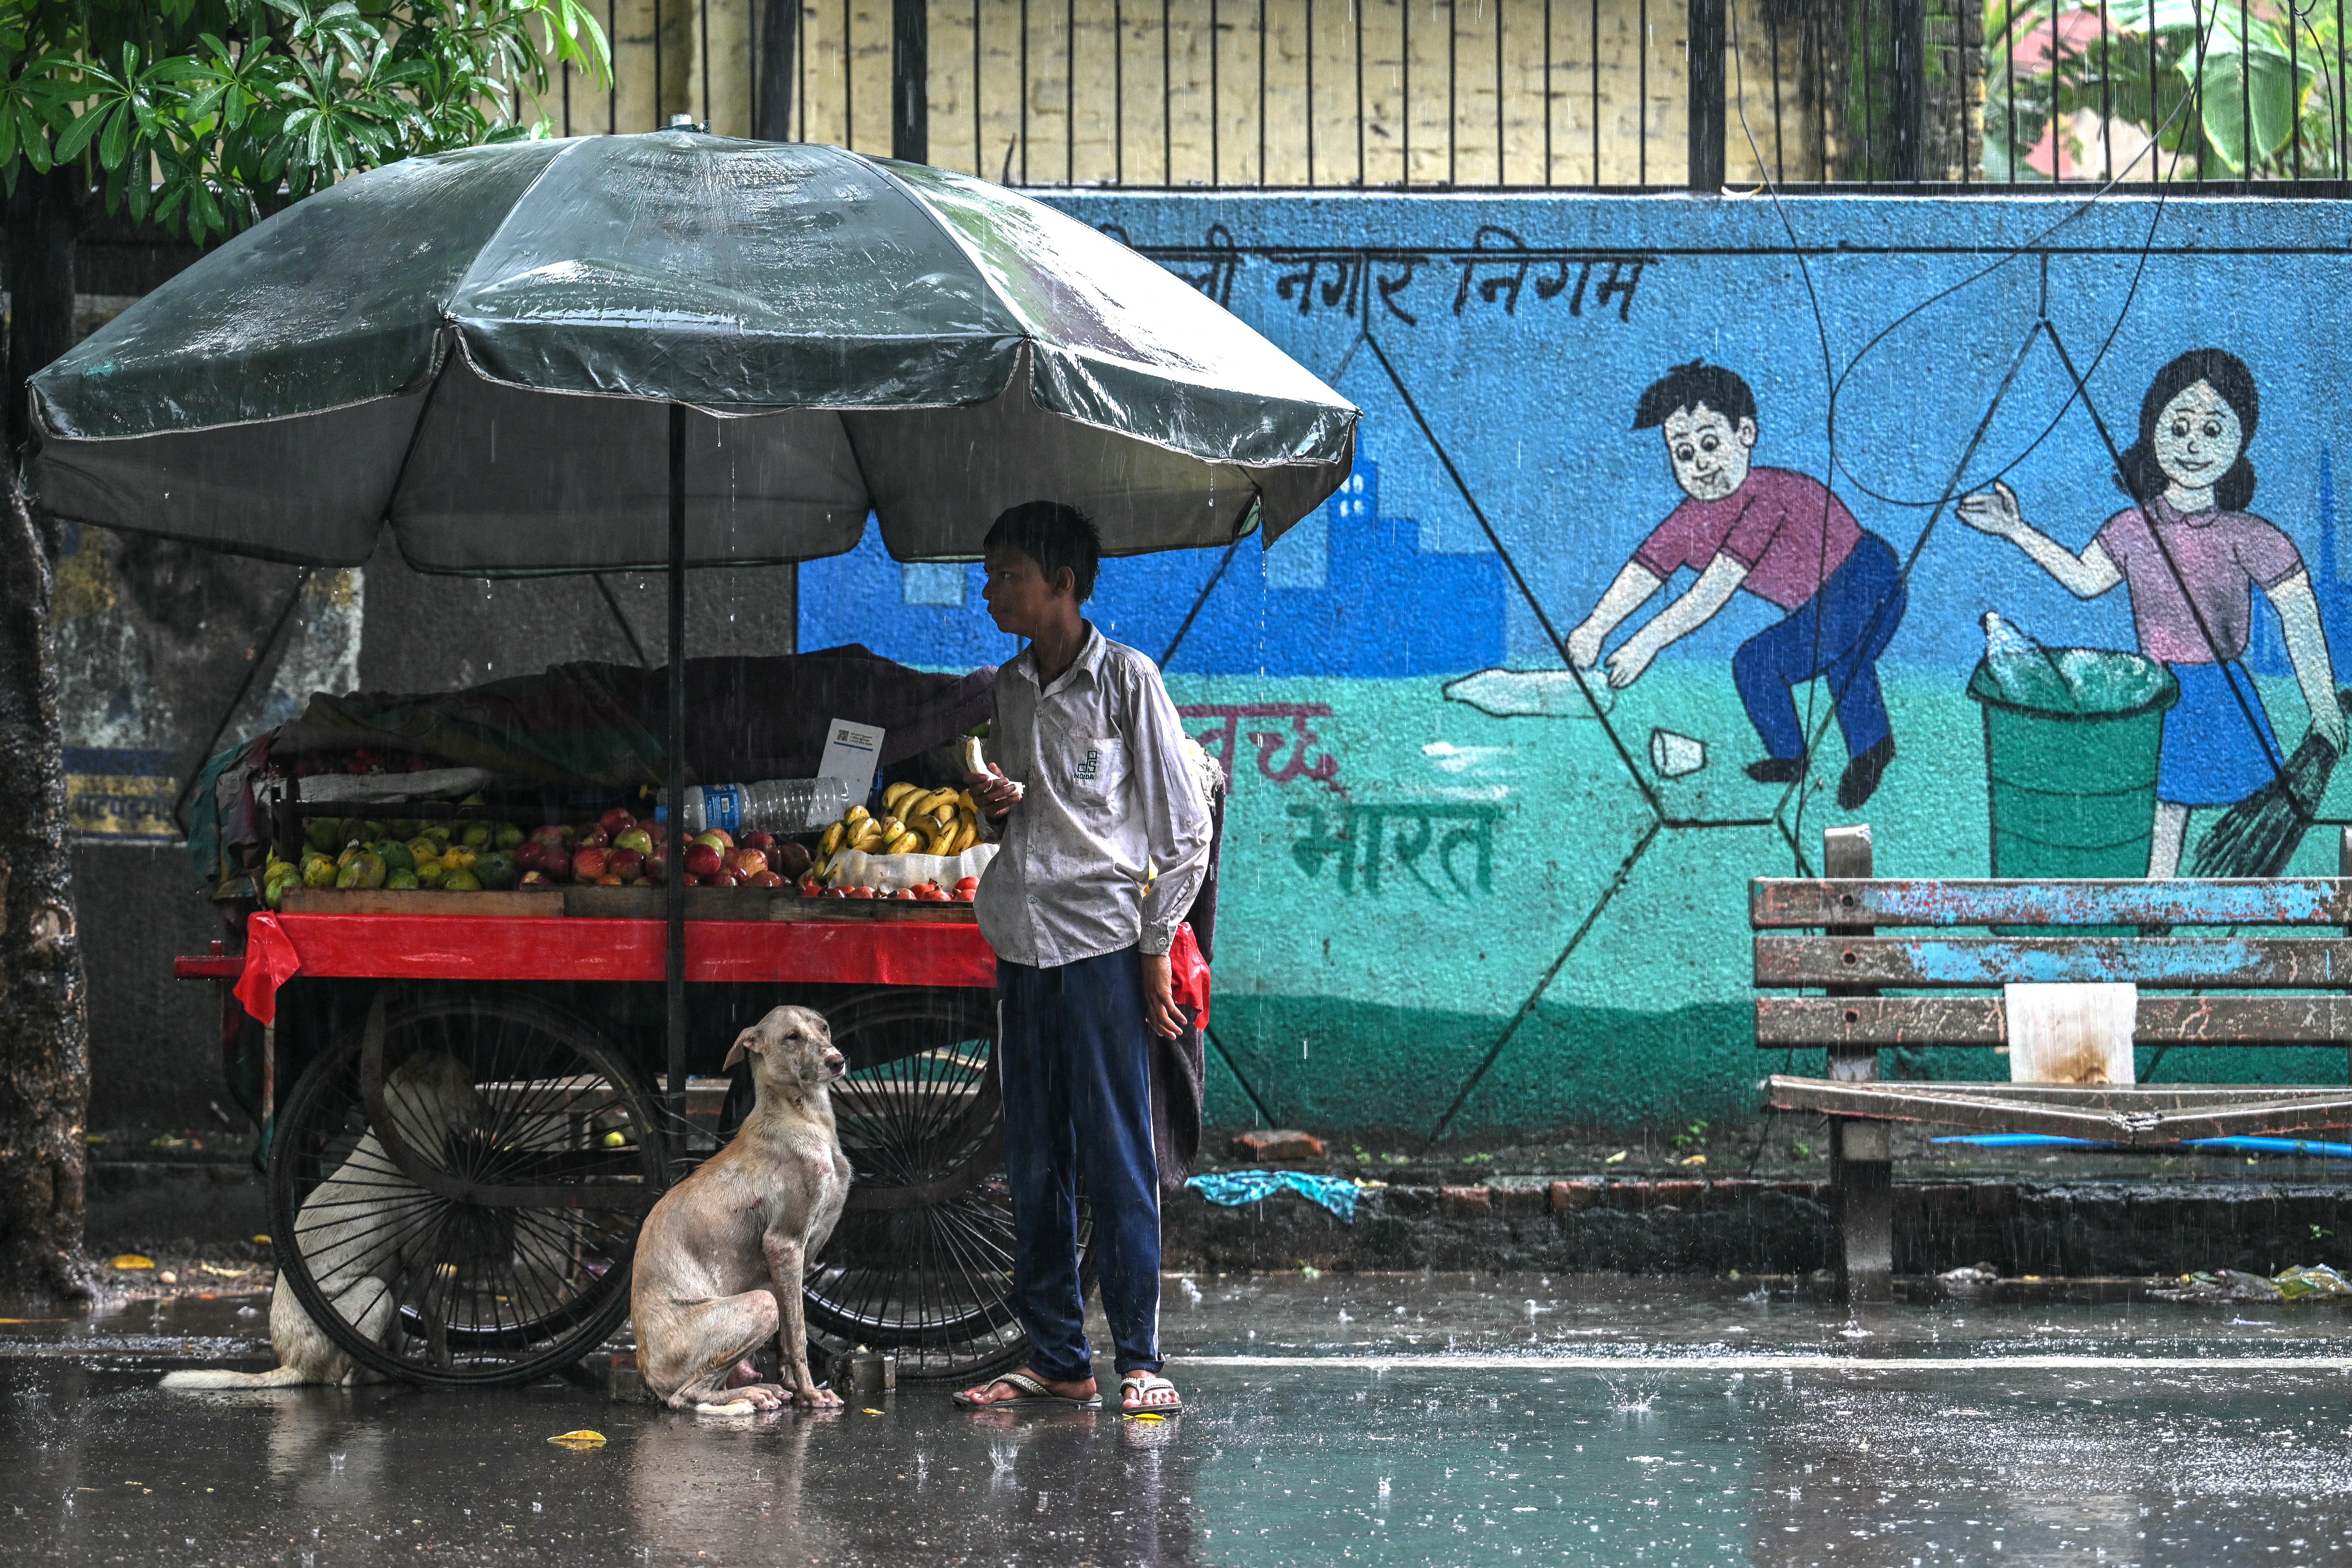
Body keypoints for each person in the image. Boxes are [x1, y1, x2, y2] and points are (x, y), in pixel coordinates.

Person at [950, 500, 1210, 1416]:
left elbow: (1185, 831)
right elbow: (1042, 802)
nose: (989, 590)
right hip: (1021, 941)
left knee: (1115, 1155)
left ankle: (1140, 1356)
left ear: (1063, 584)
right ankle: (1058, 1355)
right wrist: (1000, 800)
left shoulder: (1128, 682)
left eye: (1007, 574)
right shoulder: (1010, 687)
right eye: (988, 575)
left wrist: (1152, 946)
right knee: (1032, 1159)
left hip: (1102, 944)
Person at [1958, 348, 2345, 878]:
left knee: (2256, 808)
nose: (2193, 445)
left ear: (2240, 442)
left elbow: (2298, 610)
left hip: (2225, 697)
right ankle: (2155, 921)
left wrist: (2323, 705)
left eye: (2213, 431)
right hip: (2158, 698)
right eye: (2180, 426)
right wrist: (2015, 529)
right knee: (2163, 822)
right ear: (2154, 430)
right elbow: (2085, 580)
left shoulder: (2250, 537)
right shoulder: (2131, 532)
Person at [1568, 360, 1908, 811]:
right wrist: (1594, 628)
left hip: (1866, 578)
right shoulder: (1690, 520)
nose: (1700, 463)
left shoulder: (1763, 500)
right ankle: (1835, 752)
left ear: (1745, 434)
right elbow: (1644, 572)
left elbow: (1711, 592)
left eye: (1710, 443)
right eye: (1684, 454)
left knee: (1767, 661)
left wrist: (1644, 643)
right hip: (1827, 602)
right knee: (1835, 658)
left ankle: (1837, 753)